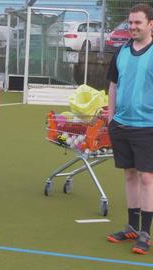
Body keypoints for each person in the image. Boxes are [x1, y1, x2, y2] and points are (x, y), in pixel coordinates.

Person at [106, 4, 153, 255]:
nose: (133, 27)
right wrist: (112, 117)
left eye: (138, 23)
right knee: (129, 174)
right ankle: (131, 228)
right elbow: (113, 85)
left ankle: (145, 233)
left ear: (150, 25)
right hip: (121, 124)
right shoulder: (121, 51)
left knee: (147, 177)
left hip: (148, 126)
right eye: (131, 23)